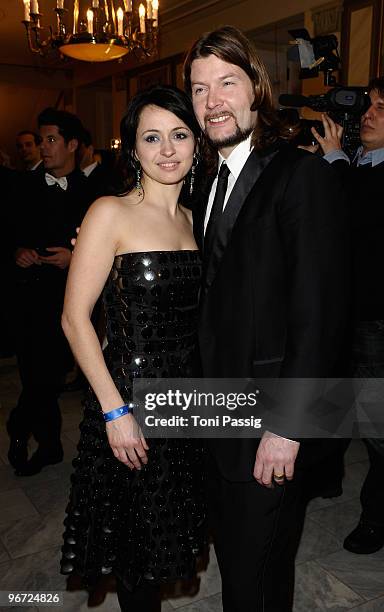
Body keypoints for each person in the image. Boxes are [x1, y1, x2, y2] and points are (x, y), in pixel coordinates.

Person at [183, 26, 350, 611]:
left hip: (270, 423)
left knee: (257, 576)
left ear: (257, 88)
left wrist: (287, 427)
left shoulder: (299, 174)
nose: (214, 102)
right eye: (200, 90)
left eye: (227, 83)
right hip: (211, 415)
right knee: (235, 563)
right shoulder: (200, 181)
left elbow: (320, 315)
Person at [60, 85, 205, 612]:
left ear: (197, 143)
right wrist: (114, 411)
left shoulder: (196, 220)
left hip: (185, 404)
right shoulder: (108, 212)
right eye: (152, 137)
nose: (167, 150)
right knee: (136, 559)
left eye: (179, 135)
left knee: (165, 541)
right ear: (132, 148)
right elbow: (74, 320)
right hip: (128, 404)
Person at [312, 77, 384, 555]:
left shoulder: (361, 168)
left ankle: (375, 516)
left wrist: (335, 159)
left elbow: (359, 210)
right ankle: (328, 474)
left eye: (382, 107)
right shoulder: (362, 161)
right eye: (370, 105)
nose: (369, 113)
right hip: (349, 312)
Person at [6, 108, 92, 477]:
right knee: (35, 373)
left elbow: (108, 246)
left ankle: (20, 423)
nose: (44, 147)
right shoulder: (21, 186)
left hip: (70, 300)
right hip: (27, 297)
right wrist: (16, 252)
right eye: (42, 140)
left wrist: (75, 257)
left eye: (52, 139)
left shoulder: (94, 193)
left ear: (72, 144)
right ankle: (51, 444)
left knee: (53, 374)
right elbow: (5, 232)